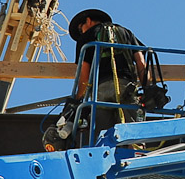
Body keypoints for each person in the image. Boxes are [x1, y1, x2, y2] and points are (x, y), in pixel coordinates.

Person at [43, 9, 146, 151]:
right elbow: (141, 63)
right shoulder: (126, 32)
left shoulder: (86, 38)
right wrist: (147, 89)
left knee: (102, 140)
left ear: (89, 21)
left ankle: (102, 164)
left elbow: (84, 76)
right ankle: (136, 157)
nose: (81, 32)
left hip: (100, 92)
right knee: (133, 135)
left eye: (81, 28)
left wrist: (77, 100)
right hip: (126, 87)